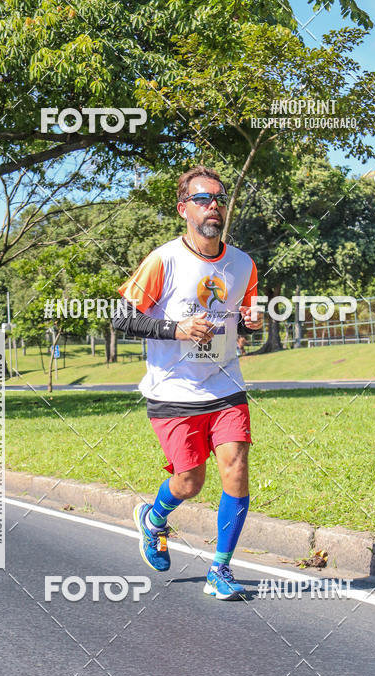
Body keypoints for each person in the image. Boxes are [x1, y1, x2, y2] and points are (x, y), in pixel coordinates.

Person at [113, 165, 263, 600]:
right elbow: (121, 317)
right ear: (184, 209)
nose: (213, 205)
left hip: (225, 386)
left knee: (235, 469)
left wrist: (251, 323)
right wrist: (176, 330)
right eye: (202, 199)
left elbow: (241, 319)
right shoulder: (164, 260)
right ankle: (154, 517)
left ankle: (220, 569)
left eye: (218, 198)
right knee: (190, 482)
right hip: (173, 393)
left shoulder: (243, 263)